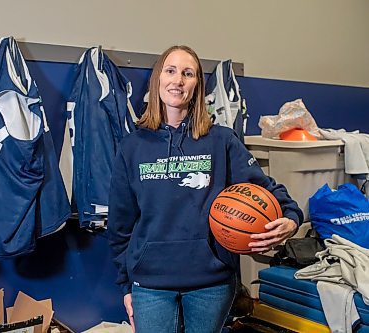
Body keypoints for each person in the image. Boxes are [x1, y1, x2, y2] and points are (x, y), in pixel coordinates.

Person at [107, 45, 303, 333]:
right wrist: (126, 285)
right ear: (157, 80)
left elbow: (265, 189)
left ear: (197, 85)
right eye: (170, 71)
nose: (178, 80)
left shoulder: (221, 140)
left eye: (188, 74)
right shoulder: (132, 147)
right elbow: (120, 225)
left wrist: (290, 217)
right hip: (150, 284)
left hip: (211, 282)